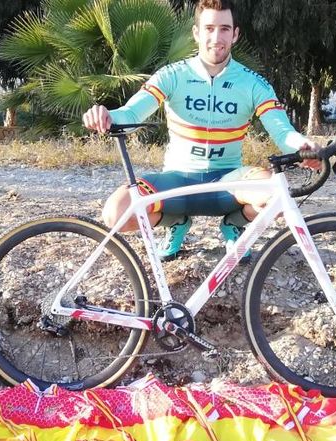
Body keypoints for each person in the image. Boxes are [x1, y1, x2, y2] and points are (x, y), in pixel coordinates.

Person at [83, 0, 320, 261]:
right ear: (196, 33)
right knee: (115, 214)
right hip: (177, 182)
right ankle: (175, 222)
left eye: (224, 29)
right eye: (209, 28)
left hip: (229, 182)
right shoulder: (172, 75)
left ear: (235, 34)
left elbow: (282, 131)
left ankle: (234, 224)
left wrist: (302, 146)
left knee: (278, 195)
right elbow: (131, 113)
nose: (216, 38)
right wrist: (106, 115)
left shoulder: (253, 83)